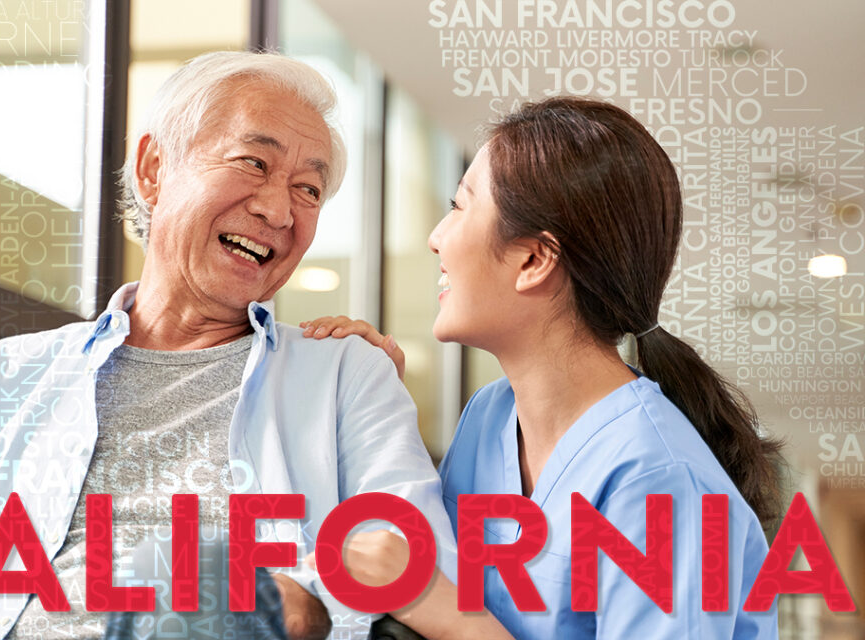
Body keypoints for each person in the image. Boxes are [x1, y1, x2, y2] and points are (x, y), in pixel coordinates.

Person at [0, 51, 459, 640]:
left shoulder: (346, 373)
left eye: (309, 190)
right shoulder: (0, 375)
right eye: (253, 162)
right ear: (154, 171)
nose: (278, 209)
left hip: (214, 621)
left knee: (193, 572)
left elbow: (413, 556)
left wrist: (306, 599)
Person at [302, 97, 783, 638]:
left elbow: (434, 597)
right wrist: (365, 412)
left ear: (534, 260)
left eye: (460, 207)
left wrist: (447, 614)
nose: (436, 236)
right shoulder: (489, 417)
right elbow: (405, 561)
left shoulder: (660, 479)